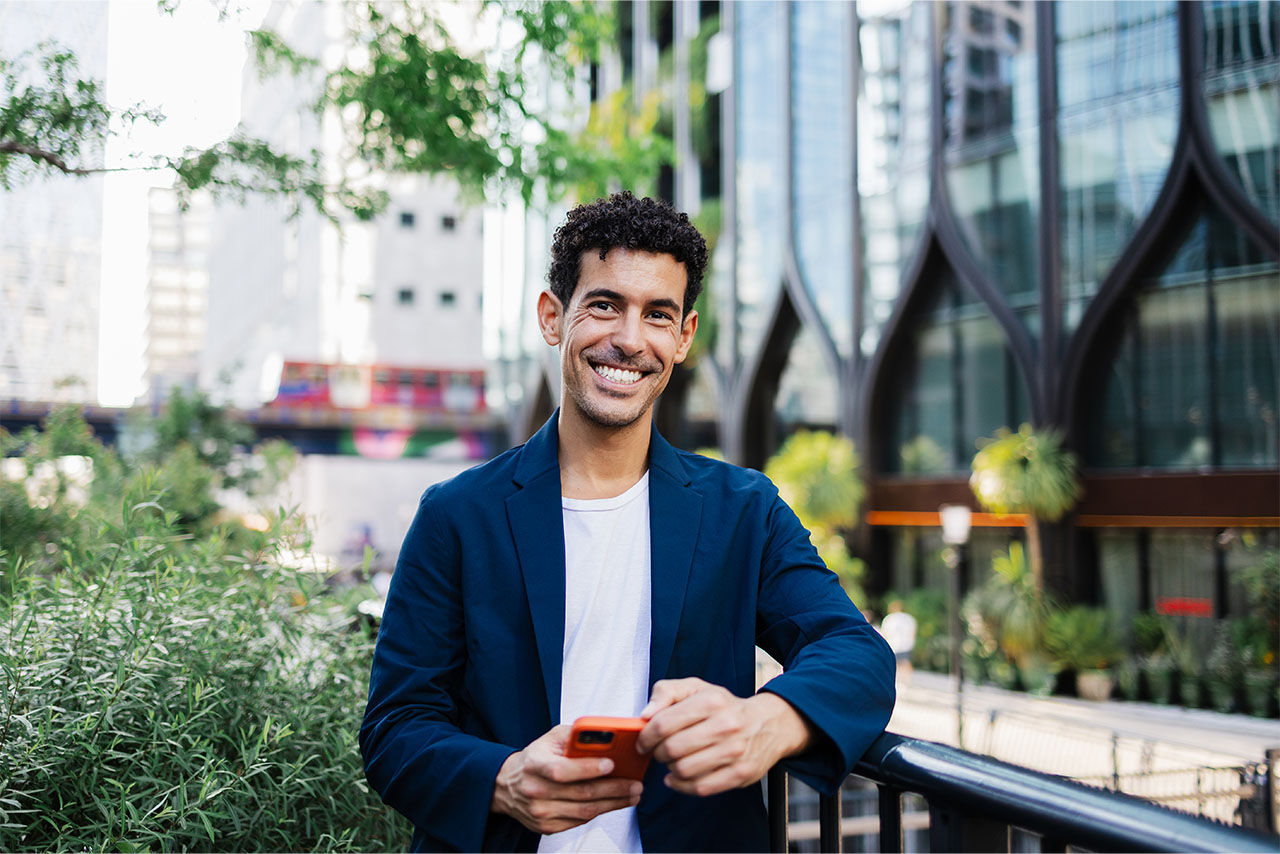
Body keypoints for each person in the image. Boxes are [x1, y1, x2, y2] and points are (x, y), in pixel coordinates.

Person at [360, 191, 896, 853]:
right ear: (553, 318)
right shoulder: (457, 514)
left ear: (684, 338)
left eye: (658, 314)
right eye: (605, 305)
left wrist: (770, 719)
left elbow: (856, 653)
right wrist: (502, 779)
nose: (629, 339)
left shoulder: (742, 510)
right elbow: (394, 729)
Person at [879, 600, 918, 684]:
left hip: (893, 644)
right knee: (906, 662)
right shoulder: (909, 618)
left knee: (894, 664)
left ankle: (896, 681)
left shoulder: (889, 618)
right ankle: (907, 681)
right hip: (907, 644)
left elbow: (885, 633)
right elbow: (914, 631)